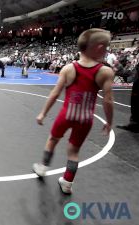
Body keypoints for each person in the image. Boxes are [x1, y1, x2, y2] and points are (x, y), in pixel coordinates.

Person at [32, 28, 114, 194]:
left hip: (66, 115)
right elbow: (108, 100)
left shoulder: (69, 69)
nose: (107, 51)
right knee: (74, 150)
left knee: (53, 139)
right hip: (85, 119)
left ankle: (42, 167)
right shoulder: (105, 71)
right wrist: (109, 121)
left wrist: (43, 113)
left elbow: (55, 93)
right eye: (106, 47)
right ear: (98, 48)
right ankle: (67, 182)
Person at [117, 61, 139, 132]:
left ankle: (135, 125)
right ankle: (135, 124)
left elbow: (131, 77)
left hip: (138, 87)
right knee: (136, 105)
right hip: (137, 85)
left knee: (136, 105)